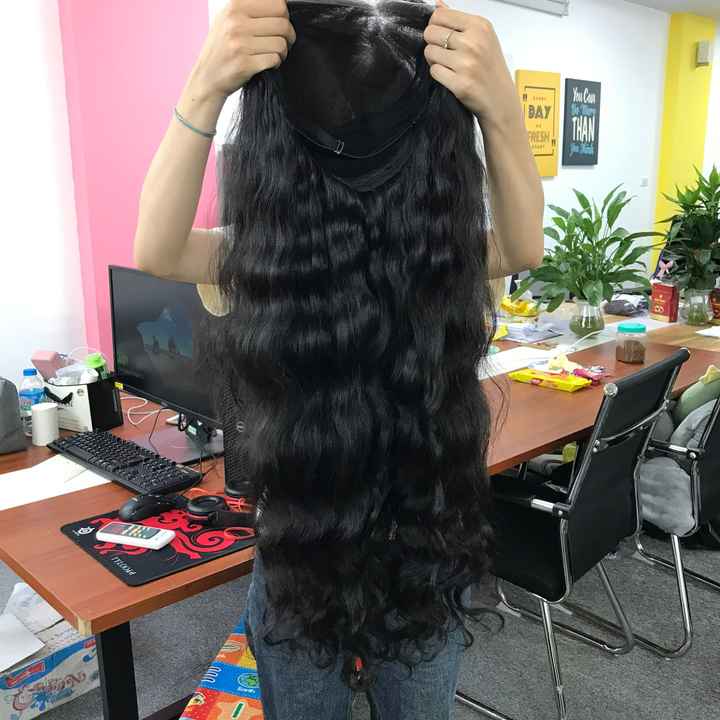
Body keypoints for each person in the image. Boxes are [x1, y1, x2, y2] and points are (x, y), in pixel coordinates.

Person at [134, 1, 543, 717]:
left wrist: (503, 109)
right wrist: (203, 84)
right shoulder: (277, 259)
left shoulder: (425, 259)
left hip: (408, 541)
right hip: (319, 545)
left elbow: (523, 245)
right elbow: (157, 250)